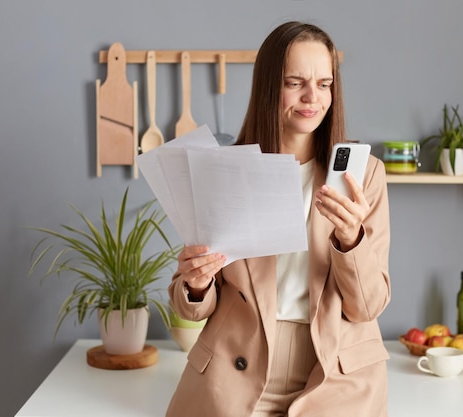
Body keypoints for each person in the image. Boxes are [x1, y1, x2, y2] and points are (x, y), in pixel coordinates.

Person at [166, 21, 391, 417]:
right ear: (270, 85)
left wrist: (350, 240)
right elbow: (191, 309)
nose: (312, 97)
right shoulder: (224, 170)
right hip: (234, 373)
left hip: (334, 376)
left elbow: (367, 306)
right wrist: (197, 285)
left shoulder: (363, 176)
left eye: (324, 84)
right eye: (295, 82)